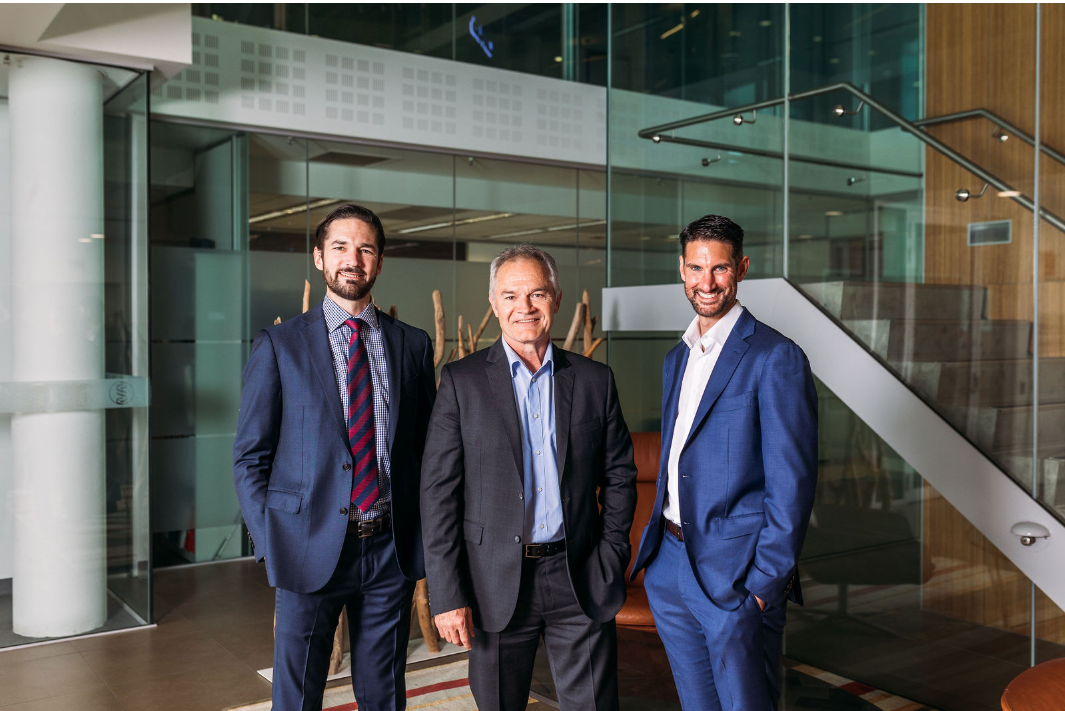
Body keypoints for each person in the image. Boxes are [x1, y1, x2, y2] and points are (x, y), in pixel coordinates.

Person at [233, 203, 436, 711]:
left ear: (380, 262)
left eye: (366, 248)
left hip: (390, 549)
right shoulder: (279, 346)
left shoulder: (412, 346)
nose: (353, 258)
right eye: (340, 247)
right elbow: (249, 457)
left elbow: (425, 451)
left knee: (384, 693)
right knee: (298, 694)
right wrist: (272, 539)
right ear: (319, 258)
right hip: (305, 548)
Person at [421, 244, 637, 711]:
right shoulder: (462, 381)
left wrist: (611, 553)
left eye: (537, 294)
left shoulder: (595, 380)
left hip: (578, 575)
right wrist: (446, 592)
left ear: (557, 300)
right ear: (494, 303)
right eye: (511, 295)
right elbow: (438, 495)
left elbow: (620, 475)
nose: (525, 308)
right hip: (491, 583)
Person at [629, 214, 818, 711]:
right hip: (669, 566)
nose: (706, 282)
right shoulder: (679, 356)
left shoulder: (776, 357)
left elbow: (792, 484)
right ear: (682, 270)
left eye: (719, 268)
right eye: (696, 268)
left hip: (736, 577)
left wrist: (761, 586)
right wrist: (657, 565)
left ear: (742, 268)